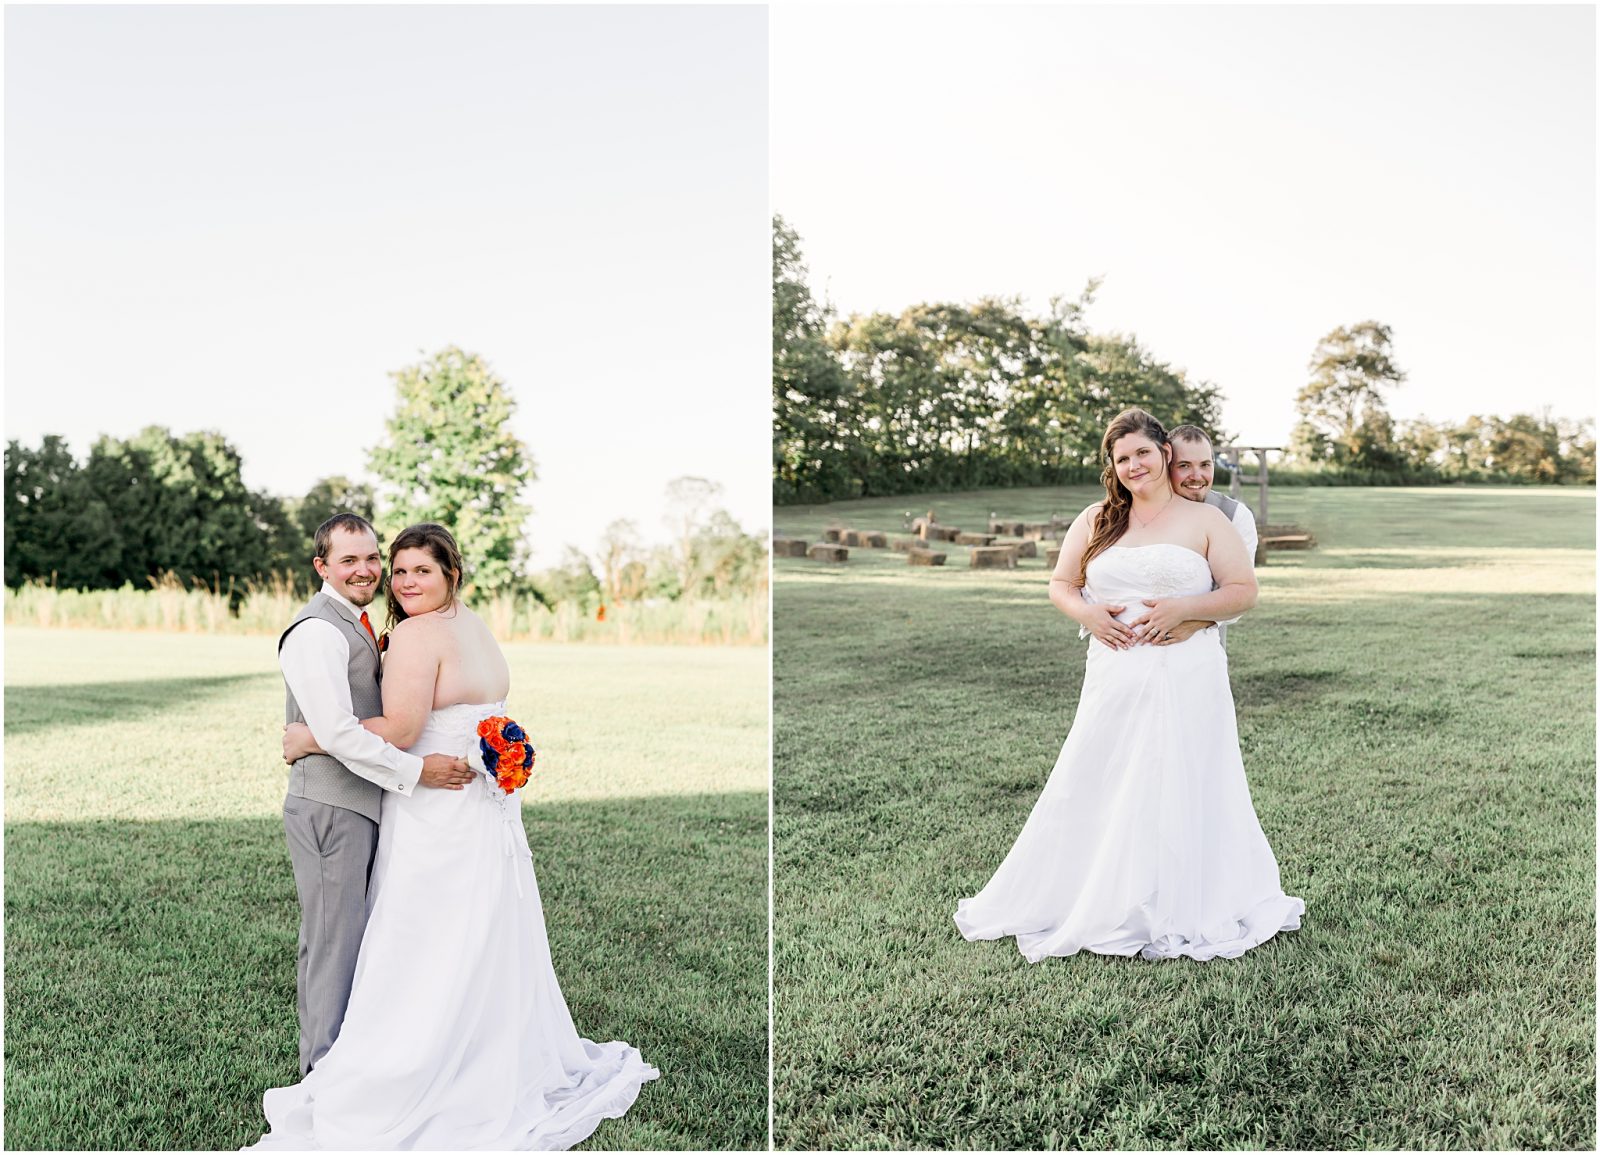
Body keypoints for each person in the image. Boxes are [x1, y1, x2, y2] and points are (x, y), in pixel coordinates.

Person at [253, 522, 658, 1150]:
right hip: (477, 808)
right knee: (475, 931)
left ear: (452, 575)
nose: (402, 580)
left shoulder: (416, 634)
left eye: (420, 571)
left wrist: (312, 735)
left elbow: (406, 728)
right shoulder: (475, 628)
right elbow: (484, 716)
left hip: (434, 803)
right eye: (400, 569)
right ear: (323, 565)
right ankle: (470, 1052)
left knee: (419, 934)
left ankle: (387, 1068)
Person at [954, 409, 1302, 961]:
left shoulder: (1207, 521)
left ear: (1164, 453)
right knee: (1100, 775)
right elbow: (1061, 584)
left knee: (1185, 777)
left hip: (1187, 672)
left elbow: (1243, 591)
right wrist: (1087, 616)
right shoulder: (1096, 519)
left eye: (1142, 452)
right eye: (1122, 459)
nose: (1134, 465)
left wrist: (1186, 608)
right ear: (1112, 469)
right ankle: (1097, 894)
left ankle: (1185, 899)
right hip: (1114, 671)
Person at [276, 513, 477, 1077]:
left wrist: (308, 738)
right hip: (330, 807)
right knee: (332, 945)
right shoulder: (316, 630)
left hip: (360, 804)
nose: (366, 570)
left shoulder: (357, 621)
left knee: (352, 941)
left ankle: (349, 1065)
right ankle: (321, 1078)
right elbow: (339, 732)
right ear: (322, 566)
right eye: (349, 560)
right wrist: (417, 773)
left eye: (371, 559)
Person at [1158, 424, 1260, 648]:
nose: (1197, 476)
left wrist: (1194, 623)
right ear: (1166, 467)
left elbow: (1239, 591)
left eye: (1205, 465)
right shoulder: (1148, 511)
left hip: (1205, 643)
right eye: (1184, 466)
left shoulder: (1235, 516)